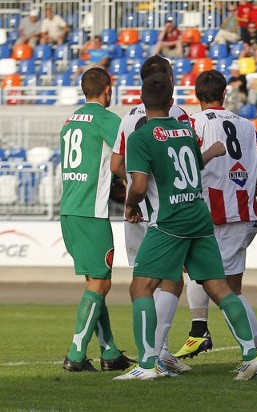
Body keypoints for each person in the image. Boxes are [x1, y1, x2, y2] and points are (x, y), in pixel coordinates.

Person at [115, 72, 257, 380]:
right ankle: (251, 354)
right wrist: (211, 153)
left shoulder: (142, 136)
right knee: (221, 288)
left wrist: (130, 205)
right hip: (200, 215)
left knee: (140, 287)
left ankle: (146, 364)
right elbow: (191, 163)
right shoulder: (184, 129)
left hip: (170, 220)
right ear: (172, 102)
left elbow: (140, 185)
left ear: (142, 102)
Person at [175, 70, 257, 372]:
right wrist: (249, 191)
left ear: (196, 95)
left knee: (223, 287)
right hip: (244, 211)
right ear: (224, 94)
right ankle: (200, 330)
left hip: (216, 216)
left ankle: (254, 353)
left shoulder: (194, 123)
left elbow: (187, 164)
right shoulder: (246, 124)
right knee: (209, 277)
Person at [110, 55, 194, 375]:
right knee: (170, 279)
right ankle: (159, 353)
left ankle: (156, 353)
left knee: (142, 280)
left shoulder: (129, 116)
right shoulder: (179, 114)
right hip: (170, 209)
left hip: (137, 209)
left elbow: (117, 165)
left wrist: (132, 187)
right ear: (167, 80)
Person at [59, 67, 134, 373]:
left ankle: (110, 352)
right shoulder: (108, 120)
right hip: (91, 212)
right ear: (107, 89)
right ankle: (75, 355)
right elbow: (122, 162)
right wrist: (132, 188)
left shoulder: (69, 121)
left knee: (95, 282)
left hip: (69, 210)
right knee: (101, 283)